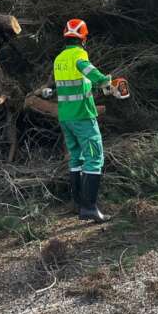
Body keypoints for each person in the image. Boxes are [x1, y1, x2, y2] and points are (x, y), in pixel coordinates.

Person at [53, 18, 113, 223]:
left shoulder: (59, 58)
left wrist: (95, 85)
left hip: (66, 117)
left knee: (76, 158)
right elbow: (87, 70)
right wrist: (105, 81)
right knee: (95, 158)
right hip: (83, 117)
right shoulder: (79, 55)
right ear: (84, 38)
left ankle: (78, 205)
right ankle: (89, 208)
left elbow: (75, 82)